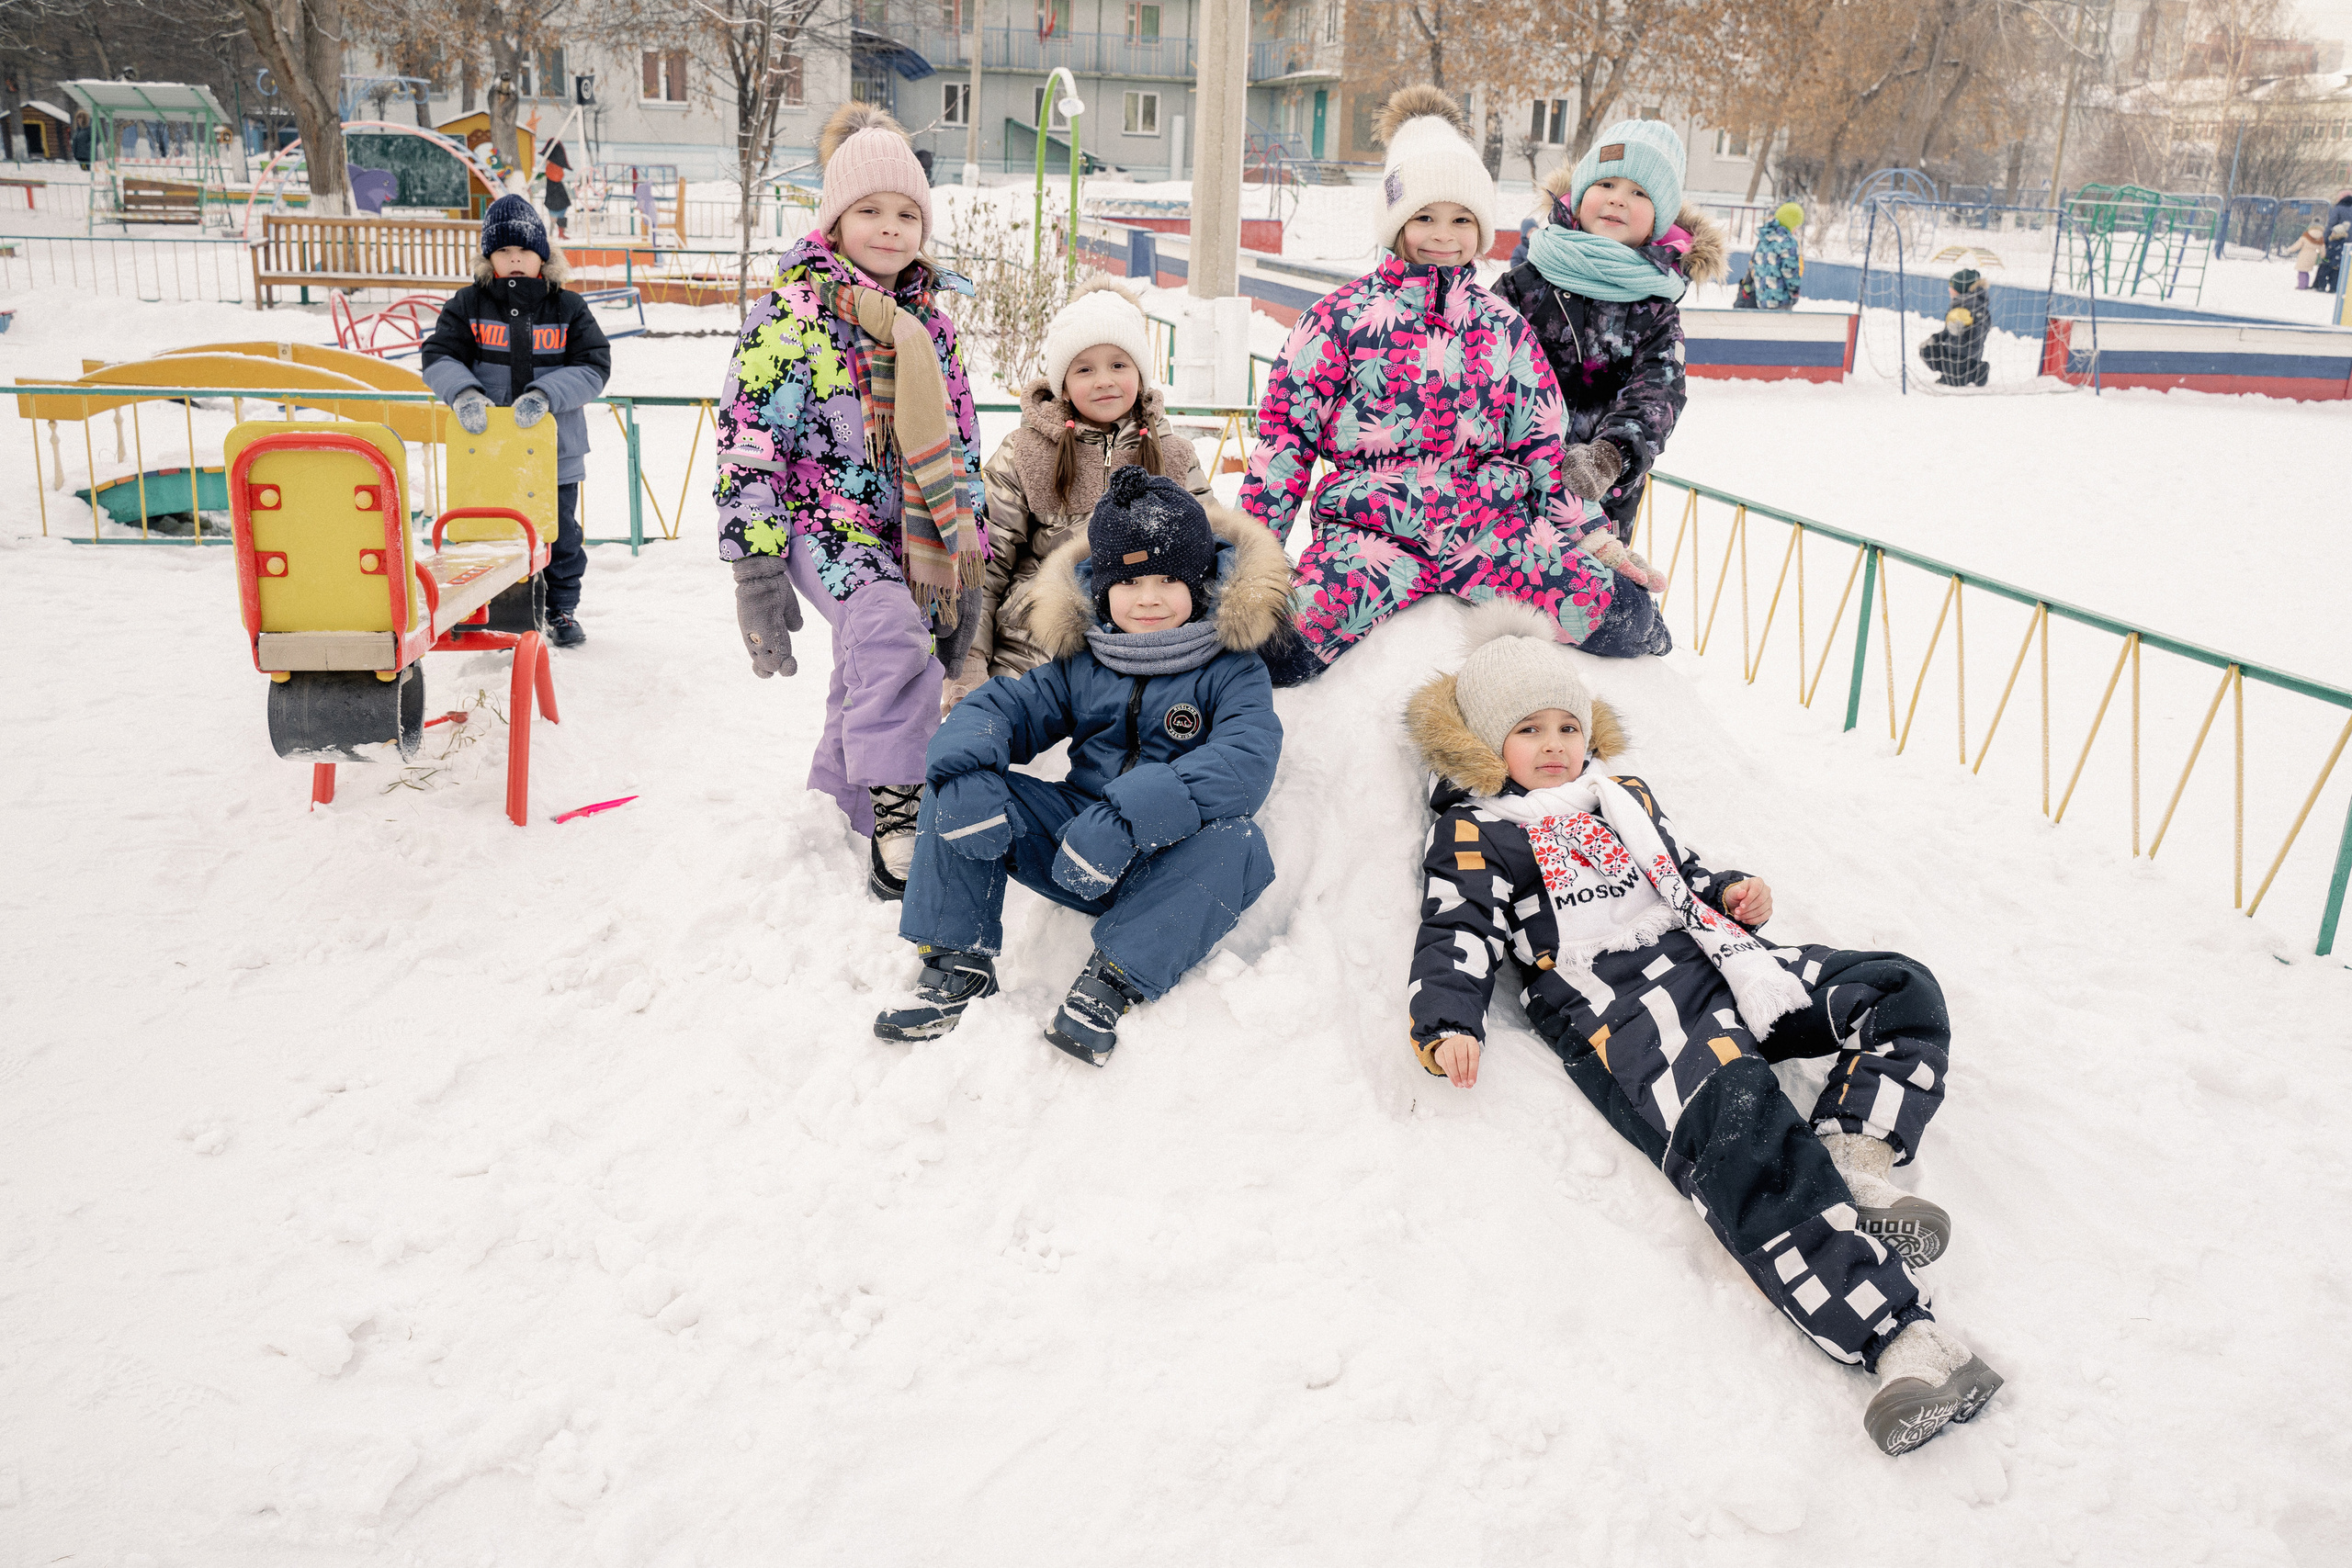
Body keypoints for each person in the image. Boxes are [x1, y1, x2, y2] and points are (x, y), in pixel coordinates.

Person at [1404, 601, 2002, 1456]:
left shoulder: (1621, 795)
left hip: (1723, 963)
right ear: (1486, 743)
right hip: (1622, 1013)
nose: (1553, 745)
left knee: (1897, 989)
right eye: (1528, 729)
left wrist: (1729, 893)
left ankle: (1851, 1158)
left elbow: (1676, 872)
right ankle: (1898, 1338)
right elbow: (1455, 932)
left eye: (1568, 725)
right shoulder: (1480, 832)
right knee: (1744, 1134)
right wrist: (1448, 1018)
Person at [1238, 84, 1665, 685]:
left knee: (1628, 618)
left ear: (1481, 229)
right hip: (1371, 537)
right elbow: (1285, 442)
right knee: (1272, 650)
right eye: (1424, 217)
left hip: (1493, 533)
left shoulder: (1505, 331)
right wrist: (1251, 555)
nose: (1444, 234)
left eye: (1462, 219)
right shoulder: (1338, 321)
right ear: (1395, 222)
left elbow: (1543, 448)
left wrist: (1596, 538)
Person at [876, 468, 1291, 1065]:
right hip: (1079, 849)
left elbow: (1244, 760)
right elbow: (1006, 707)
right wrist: (962, 764)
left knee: (1241, 845)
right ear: (1101, 588)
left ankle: (1112, 981)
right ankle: (954, 963)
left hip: (1168, 860)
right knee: (961, 780)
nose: (1147, 597)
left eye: (1167, 579)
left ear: (1198, 583)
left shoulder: (1232, 668)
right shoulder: (1086, 662)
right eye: (1130, 581)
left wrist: (1130, 817)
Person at [716, 103, 988, 901]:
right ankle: (902, 810)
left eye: (908, 212)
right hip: (815, 521)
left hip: (904, 530)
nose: (891, 227)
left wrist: (968, 567)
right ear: (834, 220)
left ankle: (839, 804)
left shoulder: (929, 328)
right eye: (869, 210)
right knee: (889, 630)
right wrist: (755, 564)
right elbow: (750, 442)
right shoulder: (791, 315)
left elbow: (962, 449)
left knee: (873, 658)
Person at [947, 276, 1213, 707]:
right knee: (997, 736)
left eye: (1119, 365)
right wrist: (970, 657)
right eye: (1084, 369)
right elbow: (984, 561)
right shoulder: (1025, 452)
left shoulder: (1174, 455)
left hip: (1145, 642)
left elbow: (1213, 547)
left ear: (1140, 374)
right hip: (1035, 647)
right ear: (1062, 382)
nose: (1104, 380)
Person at [1495, 119, 1725, 559]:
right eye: (1606, 182)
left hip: (1596, 506)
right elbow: (1475, 364)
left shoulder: (1655, 310)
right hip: (1504, 487)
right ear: (1579, 197)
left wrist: (1610, 456)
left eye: (1640, 193)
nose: (1619, 197)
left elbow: (1658, 393)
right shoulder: (1524, 285)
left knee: (1576, 614)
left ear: (1659, 220)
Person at [420, 193, 611, 650]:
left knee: (559, 533)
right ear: (490, 258)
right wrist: (464, 392)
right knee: (486, 533)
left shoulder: (567, 307)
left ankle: (560, 609)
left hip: (556, 451)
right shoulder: (468, 305)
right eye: (504, 252)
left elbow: (594, 366)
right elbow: (438, 355)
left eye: (524, 251)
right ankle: (481, 608)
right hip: (486, 451)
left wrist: (548, 394)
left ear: (542, 256)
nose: (515, 260)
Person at [1918, 268, 1991, 388]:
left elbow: (1979, 334)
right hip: (1952, 348)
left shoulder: (1977, 307)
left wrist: (1963, 331)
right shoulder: (1957, 304)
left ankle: (1978, 372)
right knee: (1927, 350)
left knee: (1956, 381)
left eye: (1952, 286)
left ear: (1961, 288)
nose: (1949, 289)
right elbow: (1948, 331)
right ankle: (1948, 374)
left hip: (1967, 355)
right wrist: (1935, 338)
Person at [1735, 201, 1804, 310]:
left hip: (1762, 300)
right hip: (1781, 300)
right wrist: (1794, 291)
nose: (1796, 230)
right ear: (1791, 223)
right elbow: (1790, 272)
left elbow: (1756, 266)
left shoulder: (1765, 237)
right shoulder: (1788, 242)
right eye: (1796, 226)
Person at [2314, 193, 2352, 294]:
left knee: (2326, 263)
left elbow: (2331, 223)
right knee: (2343, 265)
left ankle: (2320, 284)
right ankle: (2338, 286)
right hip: (2349, 242)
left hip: (2336, 239)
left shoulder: (2338, 209)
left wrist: (2326, 238)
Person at [542, 140, 572, 239]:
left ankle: (556, 233)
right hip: (559, 197)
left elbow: (540, 183)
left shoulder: (550, 173)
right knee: (558, 215)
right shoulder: (554, 173)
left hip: (555, 197)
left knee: (555, 216)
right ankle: (558, 233)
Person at [2289, 224, 2324, 290]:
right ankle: (2306, 284)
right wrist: (2323, 256)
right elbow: (2322, 249)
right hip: (2313, 256)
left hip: (2304, 254)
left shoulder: (2306, 236)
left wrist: (2290, 249)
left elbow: (2298, 245)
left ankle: (2301, 286)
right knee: (2306, 271)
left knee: (2302, 271)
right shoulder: (2321, 238)